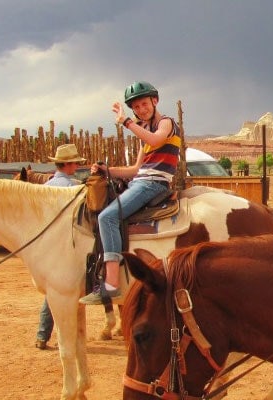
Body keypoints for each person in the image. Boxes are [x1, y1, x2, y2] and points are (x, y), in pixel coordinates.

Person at [79, 81, 181, 304]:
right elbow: (135, 170)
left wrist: (126, 121)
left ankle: (111, 283)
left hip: (153, 183)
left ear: (155, 101)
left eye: (144, 104)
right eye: (136, 107)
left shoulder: (167, 123)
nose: (141, 109)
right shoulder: (146, 138)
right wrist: (107, 170)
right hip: (141, 181)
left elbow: (156, 139)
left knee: (107, 217)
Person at [36, 144, 86, 350]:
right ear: (67, 164)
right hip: (69, 245)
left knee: (54, 292)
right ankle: (68, 337)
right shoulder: (74, 188)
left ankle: (42, 334)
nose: (76, 165)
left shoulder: (46, 187)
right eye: (74, 162)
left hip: (49, 246)